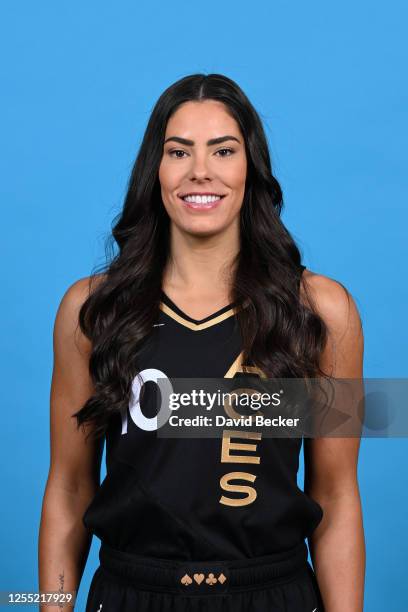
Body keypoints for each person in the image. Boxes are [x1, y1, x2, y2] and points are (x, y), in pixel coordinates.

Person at [38, 73, 365, 611]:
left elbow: (336, 495)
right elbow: (70, 489)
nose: (201, 172)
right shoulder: (92, 310)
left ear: (249, 168)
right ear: (156, 169)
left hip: (273, 594)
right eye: (178, 151)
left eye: (223, 150)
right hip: (131, 594)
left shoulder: (321, 311)